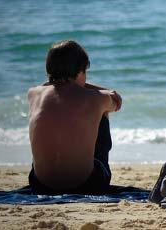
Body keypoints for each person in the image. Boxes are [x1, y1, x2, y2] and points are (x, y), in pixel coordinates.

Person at [26, 40, 122, 195]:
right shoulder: (97, 98)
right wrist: (97, 89)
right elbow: (116, 102)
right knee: (102, 111)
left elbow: (47, 86)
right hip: (88, 184)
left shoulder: (33, 94)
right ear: (80, 71)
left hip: (40, 184)